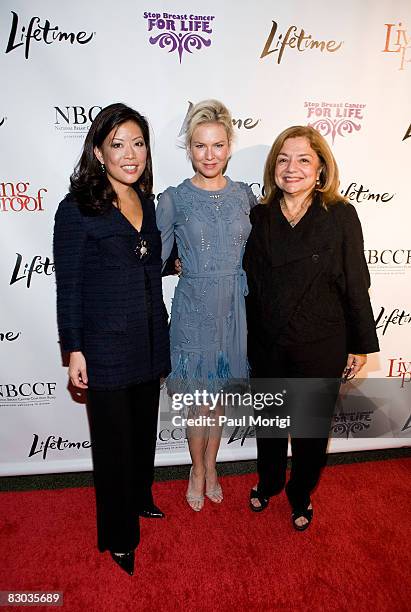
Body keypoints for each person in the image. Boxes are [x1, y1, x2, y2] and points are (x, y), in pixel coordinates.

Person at [53, 103, 170, 575]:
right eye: (117, 144)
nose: (130, 153)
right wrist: (74, 348)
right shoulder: (77, 208)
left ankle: (141, 497)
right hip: (104, 348)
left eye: (138, 143)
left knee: (142, 435)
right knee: (114, 445)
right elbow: (70, 285)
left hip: (149, 340)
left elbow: (144, 262)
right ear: (99, 151)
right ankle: (119, 536)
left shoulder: (149, 201)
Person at [243, 125, 379, 530]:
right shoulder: (259, 215)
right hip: (268, 339)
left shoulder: (340, 215)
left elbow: (357, 280)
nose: (292, 168)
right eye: (283, 159)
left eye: (304, 159)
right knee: (269, 426)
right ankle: (267, 481)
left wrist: (360, 343)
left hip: (320, 339)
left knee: (309, 433)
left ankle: (300, 491)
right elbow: (245, 277)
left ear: (320, 168)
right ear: (273, 168)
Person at [156, 100, 257, 511]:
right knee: (199, 400)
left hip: (234, 309)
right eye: (200, 146)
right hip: (194, 309)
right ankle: (196, 470)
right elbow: (154, 258)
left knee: (217, 401)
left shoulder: (246, 197)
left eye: (217, 146)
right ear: (189, 149)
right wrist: (174, 261)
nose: (209, 155)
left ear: (230, 145)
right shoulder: (174, 198)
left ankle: (211, 466)